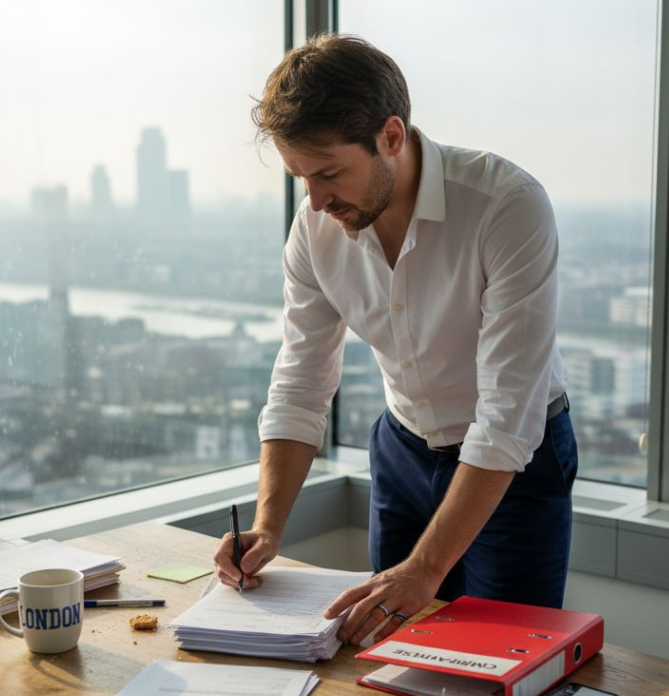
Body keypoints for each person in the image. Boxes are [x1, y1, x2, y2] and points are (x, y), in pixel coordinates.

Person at [213, 34, 577, 647]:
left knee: (501, 666)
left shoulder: (506, 206)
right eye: (301, 177)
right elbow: (301, 382)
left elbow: (507, 418)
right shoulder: (315, 228)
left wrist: (427, 569)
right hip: (403, 452)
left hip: (514, 464)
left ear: (391, 136)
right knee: (385, 652)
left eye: (330, 172)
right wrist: (268, 527)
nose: (317, 200)